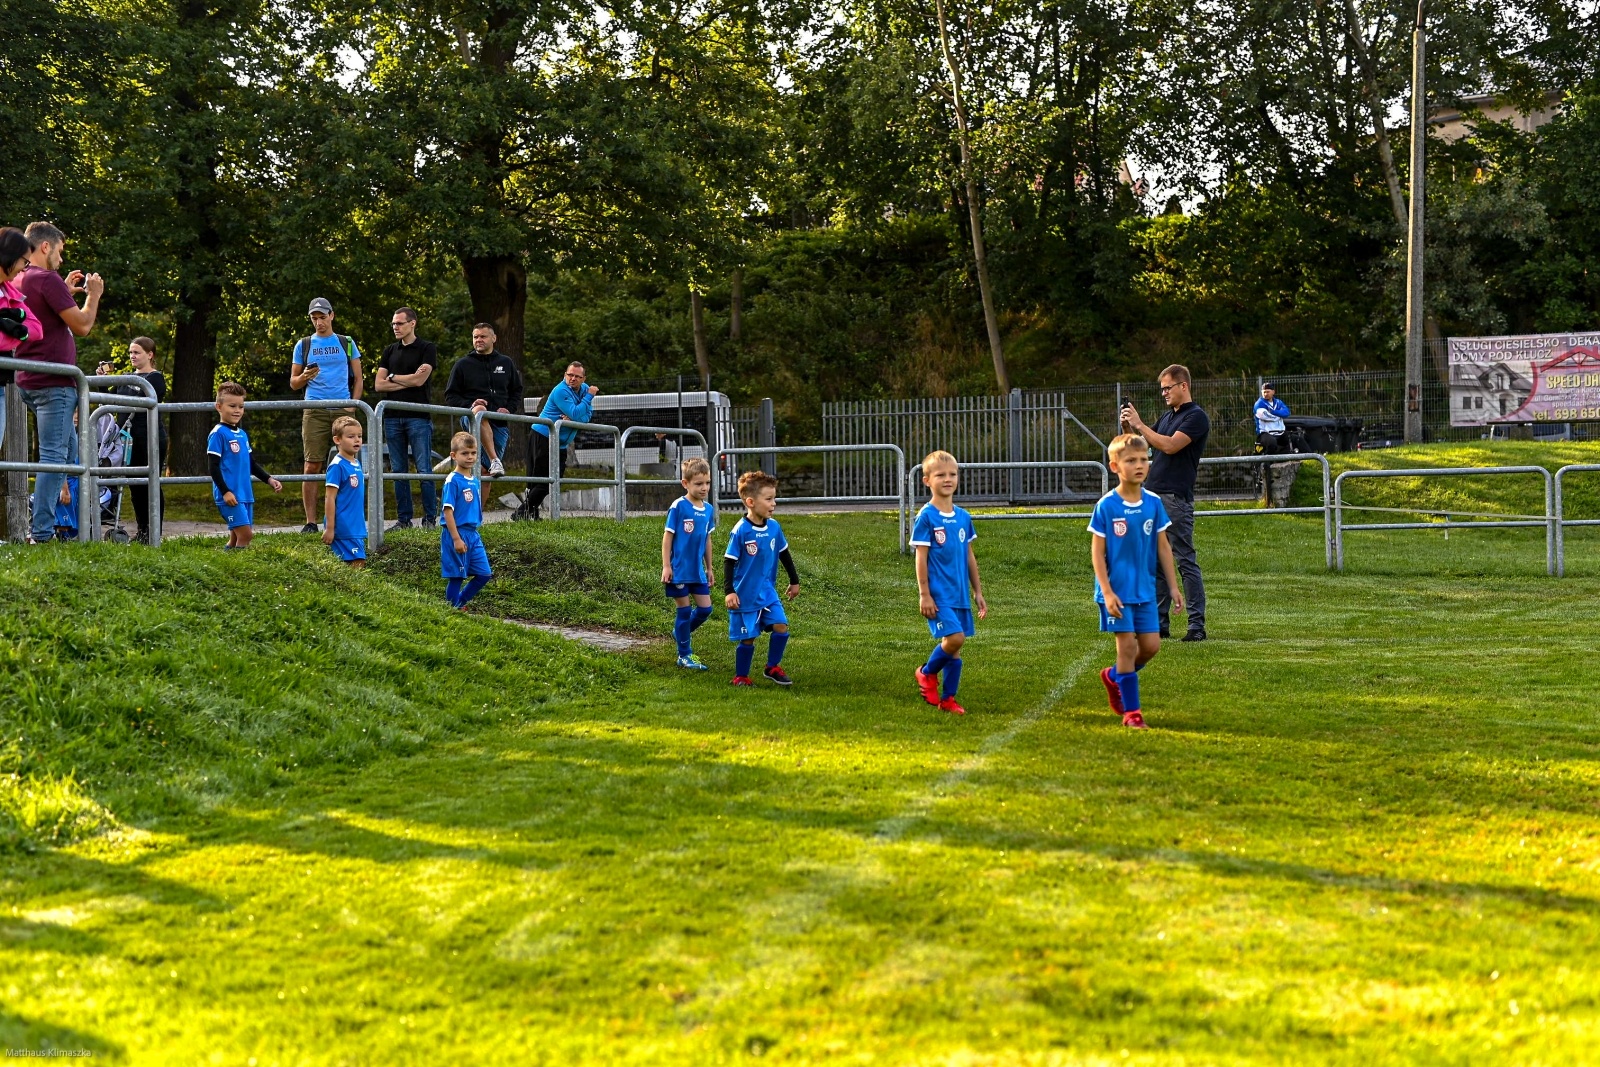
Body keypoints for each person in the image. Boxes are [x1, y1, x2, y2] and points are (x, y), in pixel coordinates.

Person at [15, 222, 102, 544]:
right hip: (54, 384)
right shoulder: (46, 278)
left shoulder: (20, 278)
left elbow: (44, 314)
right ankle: (41, 533)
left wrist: (63, 288)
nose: (62, 261)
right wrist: (93, 296)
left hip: (29, 381)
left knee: (70, 454)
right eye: (61, 252)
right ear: (46, 247)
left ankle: (70, 529)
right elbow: (82, 325)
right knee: (54, 458)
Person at [1089, 433, 1183, 730]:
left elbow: (1164, 547)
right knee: (1127, 648)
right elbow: (1097, 553)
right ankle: (1133, 713)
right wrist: (1106, 591)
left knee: (1151, 646)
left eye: (1144, 459)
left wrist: (1172, 586)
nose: (1139, 465)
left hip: (1144, 590)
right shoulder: (1107, 506)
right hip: (1116, 593)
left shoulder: (1153, 503)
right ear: (1115, 466)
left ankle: (1115, 676)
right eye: (1131, 460)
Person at [1121, 363, 1209, 642]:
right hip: (1153, 497)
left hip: (1175, 499)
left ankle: (1196, 625)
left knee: (1184, 561)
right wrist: (1128, 427)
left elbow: (1169, 445)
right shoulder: (1168, 416)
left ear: (1183, 386)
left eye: (1167, 388)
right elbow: (1141, 445)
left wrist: (1140, 424)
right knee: (1156, 563)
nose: (1164, 394)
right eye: (1161, 389)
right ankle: (1160, 625)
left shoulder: (1196, 417)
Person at [911, 451, 988, 716]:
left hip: (960, 595)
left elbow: (969, 556)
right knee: (955, 639)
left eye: (952, 474)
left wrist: (977, 591)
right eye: (940, 475)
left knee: (954, 648)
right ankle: (926, 672)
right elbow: (920, 558)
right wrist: (924, 594)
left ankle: (948, 699)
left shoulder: (963, 517)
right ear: (926, 481)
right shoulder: (926, 517)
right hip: (938, 594)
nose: (948, 479)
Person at [289, 297, 363, 534]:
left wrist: (352, 405)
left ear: (332, 315)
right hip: (314, 408)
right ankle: (311, 522)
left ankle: (349, 517)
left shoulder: (346, 342)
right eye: (314, 318)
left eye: (322, 317)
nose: (319, 322)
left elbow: (359, 378)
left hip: (342, 406)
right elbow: (293, 382)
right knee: (312, 464)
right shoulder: (304, 344)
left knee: (350, 462)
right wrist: (304, 378)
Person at [723, 470, 800, 687]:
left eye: (774, 498)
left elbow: (784, 553)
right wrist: (729, 591)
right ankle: (741, 676)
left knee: (781, 626)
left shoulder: (774, 527)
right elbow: (728, 561)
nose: (773, 503)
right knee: (748, 638)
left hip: (767, 592)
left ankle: (772, 667)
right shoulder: (740, 531)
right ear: (750, 501)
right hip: (745, 595)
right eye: (768, 499)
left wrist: (794, 581)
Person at [375, 306, 437, 529]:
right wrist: (406, 378)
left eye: (399, 323)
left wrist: (393, 377)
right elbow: (379, 384)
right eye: (393, 323)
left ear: (412, 324)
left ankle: (430, 518)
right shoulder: (389, 351)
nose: (395, 327)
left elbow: (420, 381)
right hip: (392, 418)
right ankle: (404, 520)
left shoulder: (427, 348)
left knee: (424, 469)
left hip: (418, 417)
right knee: (398, 470)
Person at [100, 337, 167, 542]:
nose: (132, 356)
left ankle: (154, 530)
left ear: (150, 354)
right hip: (126, 441)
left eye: (137, 352)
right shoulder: (126, 377)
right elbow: (109, 399)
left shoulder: (155, 378)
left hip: (149, 437)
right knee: (134, 485)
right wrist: (103, 380)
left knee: (150, 483)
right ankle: (143, 531)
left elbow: (155, 397)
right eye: (130, 352)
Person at [208, 382, 284, 550]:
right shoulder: (218, 434)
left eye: (241, 406)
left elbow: (251, 464)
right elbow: (213, 467)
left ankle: (226, 562)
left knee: (236, 538)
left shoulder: (242, 434)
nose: (237, 410)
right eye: (232, 406)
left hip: (245, 494)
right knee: (246, 535)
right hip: (230, 495)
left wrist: (269, 479)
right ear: (219, 407)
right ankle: (238, 569)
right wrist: (225, 491)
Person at [442, 323, 521, 480]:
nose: (479, 340)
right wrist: (470, 405)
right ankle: (494, 459)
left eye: (483, 336)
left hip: (499, 423)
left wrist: (509, 409)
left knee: (486, 473)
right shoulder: (462, 364)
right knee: (479, 410)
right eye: (475, 337)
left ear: (494, 338)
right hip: (472, 418)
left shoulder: (506, 362)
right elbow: (450, 395)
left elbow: (516, 391)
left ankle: (480, 505)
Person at [522, 361, 599, 520]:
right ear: (565, 375)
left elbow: (586, 416)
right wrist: (588, 398)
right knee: (542, 480)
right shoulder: (560, 391)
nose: (573, 378)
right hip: (543, 436)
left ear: (583, 379)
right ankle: (523, 513)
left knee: (555, 479)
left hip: (561, 442)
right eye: (570, 375)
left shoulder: (583, 389)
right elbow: (578, 414)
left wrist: (574, 417)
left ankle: (528, 512)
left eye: (577, 376)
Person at [662, 457, 717, 671]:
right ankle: (684, 655)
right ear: (685, 484)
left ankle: (680, 633)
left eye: (707, 483)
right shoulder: (678, 507)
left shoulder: (709, 510)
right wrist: (667, 566)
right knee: (684, 612)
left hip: (698, 572)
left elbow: (707, 540)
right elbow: (667, 538)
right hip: (679, 571)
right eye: (699, 483)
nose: (704, 488)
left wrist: (709, 568)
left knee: (705, 610)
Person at [0, 228, 44, 455]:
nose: (23, 269)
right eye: (24, 262)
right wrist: (12, 331)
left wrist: (10, 327)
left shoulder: (11, 294)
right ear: (9, 255)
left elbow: (36, 330)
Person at [440, 431, 493, 608]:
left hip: (473, 534)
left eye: (473, 453)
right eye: (465, 453)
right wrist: (456, 538)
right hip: (457, 533)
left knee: (484, 574)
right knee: (457, 576)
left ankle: (460, 602)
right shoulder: (452, 481)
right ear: (454, 456)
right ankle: (453, 610)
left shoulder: (474, 480)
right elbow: (447, 511)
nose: (470, 457)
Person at [322, 416, 368, 568]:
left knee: (356, 564)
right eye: (351, 436)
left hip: (356, 527)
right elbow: (329, 498)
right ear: (337, 440)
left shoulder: (356, 463)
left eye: (359, 436)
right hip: (343, 527)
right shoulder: (337, 466)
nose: (357, 440)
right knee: (357, 563)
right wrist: (329, 528)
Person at [1253, 382, 1292, 457]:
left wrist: (1273, 412)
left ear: (1273, 392)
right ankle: (1266, 464)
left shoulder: (1278, 402)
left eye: (1268, 392)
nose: (1265, 394)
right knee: (1272, 443)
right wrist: (1278, 416)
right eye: (1264, 392)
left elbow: (1286, 412)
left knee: (1293, 440)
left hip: (1279, 432)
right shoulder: (1259, 404)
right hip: (1264, 433)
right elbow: (1264, 416)